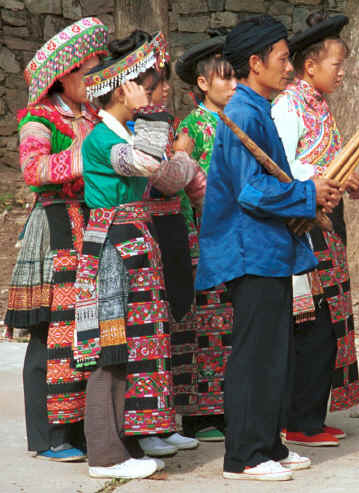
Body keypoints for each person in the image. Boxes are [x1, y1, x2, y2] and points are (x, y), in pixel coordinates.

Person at [195, 15, 342, 481]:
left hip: (270, 249)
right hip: (248, 250)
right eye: (282, 59)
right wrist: (307, 194)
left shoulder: (258, 109)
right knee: (255, 354)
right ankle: (244, 455)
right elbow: (252, 191)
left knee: (276, 352)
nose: (289, 68)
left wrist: (311, 189)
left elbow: (272, 181)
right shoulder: (241, 113)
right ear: (255, 63)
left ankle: (269, 444)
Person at [75, 30, 199, 479]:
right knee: (110, 346)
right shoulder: (100, 140)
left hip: (132, 242)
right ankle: (105, 454)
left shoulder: (117, 132)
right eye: (144, 86)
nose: (150, 94)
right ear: (122, 90)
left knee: (127, 346)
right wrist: (150, 115)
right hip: (112, 248)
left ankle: (121, 445)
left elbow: (159, 167)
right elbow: (148, 164)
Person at [5, 17, 108, 462]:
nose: (97, 80)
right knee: (50, 328)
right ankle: (49, 434)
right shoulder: (39, 118)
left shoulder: (94, 115)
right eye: (90, 72)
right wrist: (88, 155)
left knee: (85, 325)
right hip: (55, 227)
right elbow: (33, 172)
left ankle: (81, 426)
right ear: (64, 76)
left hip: (90, 224)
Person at [272, 13, 359, 448]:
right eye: (336, 65)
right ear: (310, 66)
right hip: (305, 224)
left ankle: (312, 415)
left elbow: (332, 160)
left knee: (330, 320)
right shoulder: (288, 106)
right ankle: (298, 420)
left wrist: (348, 177)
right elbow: (284, 167)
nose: (341, 73)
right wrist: (328, 173)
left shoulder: (321, 106)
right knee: (311, 321)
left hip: (329, 220)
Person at [121, 31, 204, 458]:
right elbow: (165, 175)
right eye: (157, 83)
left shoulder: (158, 121)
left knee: (173, 323)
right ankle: (144, 424)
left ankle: (166, 418)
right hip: (145, 225)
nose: (165, 90)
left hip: (172, 226)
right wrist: (185, 159)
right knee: (146, 330)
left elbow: (184, 181)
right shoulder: (134, 125)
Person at [174, 37, 237, 443]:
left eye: (235, 78)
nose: (233, 85)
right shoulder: (191, 126)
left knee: (232, 324)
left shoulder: (238, 120)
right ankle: (200, 414)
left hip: (236, 233)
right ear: (201, 83)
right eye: (224, 78)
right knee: (207, 325)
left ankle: (229, 405)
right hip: (205, 236)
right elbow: (179, 177)